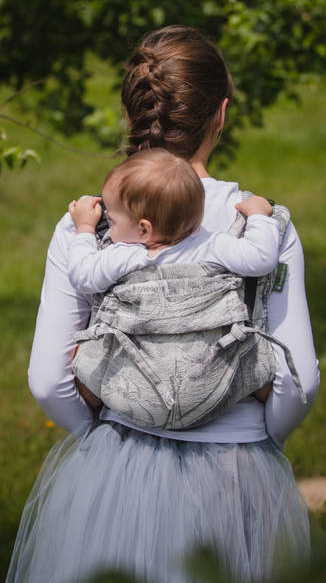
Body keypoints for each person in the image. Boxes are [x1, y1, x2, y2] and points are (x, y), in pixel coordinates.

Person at [0, 26, 323, 583]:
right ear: (221, 114)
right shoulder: (260, 224)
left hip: (118, 467)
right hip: (236, 472)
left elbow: (46, 381)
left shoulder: (88, 225)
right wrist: (261, 437)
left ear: (131, 115)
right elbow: (298, 378)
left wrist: (102, 429)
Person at [66, 148, 283, 417]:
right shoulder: (213, 245)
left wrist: (85, 228)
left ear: (143, 229)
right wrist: (259, 216)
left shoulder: (126, 255)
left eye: (112, 220)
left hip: (135, 390)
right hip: (212, 386)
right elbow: (261, 258)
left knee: (82, 353)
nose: (109, 227)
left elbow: (82, 275)